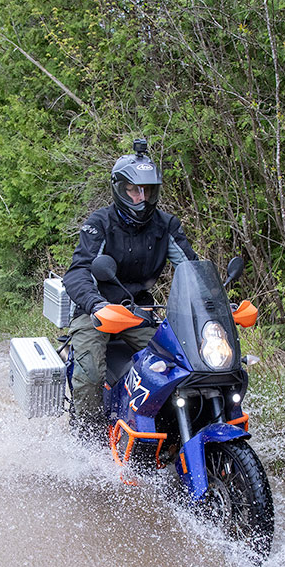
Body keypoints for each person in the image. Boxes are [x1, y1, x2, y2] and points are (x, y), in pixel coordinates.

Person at [62, 139, 198, 441]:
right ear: (119, 189)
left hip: (140, 312)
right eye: (134, 190)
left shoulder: (166, 226)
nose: (142, 198)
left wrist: (209, 304)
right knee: (91, 375)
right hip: (97, 312)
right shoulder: (99, 223)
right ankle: (87, 438)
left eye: (148, 191)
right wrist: (96, 304)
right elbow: (78, 273)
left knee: (181, 364)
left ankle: (170, 430)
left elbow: (192, 269)